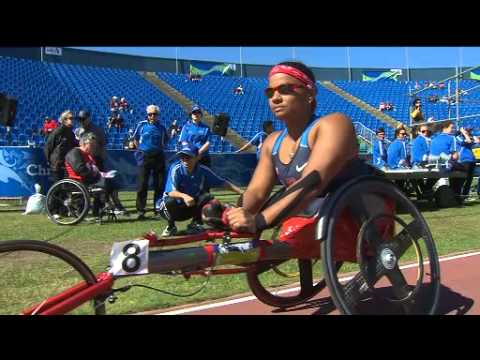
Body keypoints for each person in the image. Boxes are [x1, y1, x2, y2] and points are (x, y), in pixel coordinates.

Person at [224, 61, 374, 260]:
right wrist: (237, 213)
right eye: (270, 93)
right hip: (315, 211)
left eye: (285, 90)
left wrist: (259, 220)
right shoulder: (271, 142)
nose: (275, 98)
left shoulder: (335, 123)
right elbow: (257, 191)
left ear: (309, 94)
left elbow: (312, 183)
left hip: (361, 212)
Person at [157, 142, 243, 236]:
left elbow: (222, 182)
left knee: (207, 197)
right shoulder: (176, 168)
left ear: (197, 157)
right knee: (170, 201)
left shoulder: (203, 170)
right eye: (182, 157)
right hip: (167, 209)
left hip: (189, 206)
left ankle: (195, 224)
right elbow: (170, 192)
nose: (185, 160)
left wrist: (241, 192)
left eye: (188, 157)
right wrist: (184, 196)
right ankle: (171, 226)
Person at [77, 110, 128, 215]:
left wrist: (101, 160)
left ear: (89, 118)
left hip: (97, 159)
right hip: (84, 161)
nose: (82, 121)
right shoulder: (79, 131)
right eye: (80, 119)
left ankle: (98, 209)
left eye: (83, 119)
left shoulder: (97, 130)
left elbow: (104, 145)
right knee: (83, 185)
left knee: (100, 185)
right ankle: (81, 209)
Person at [64, 132, 120, 219]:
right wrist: (95, 174)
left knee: (110, 182)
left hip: (87, 179)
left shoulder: (88, 155)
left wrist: (101, 174)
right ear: (84, 143)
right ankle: (104, 207)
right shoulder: (74, 153)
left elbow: (93, 169)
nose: (94, 147)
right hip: (77, 181)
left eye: (94, 145)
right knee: (104, 183)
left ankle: (100, 209)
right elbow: (79, 169)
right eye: (92, 145)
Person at [132, 105, 169, 220]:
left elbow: (166, 140)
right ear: (147, 115)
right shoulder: (141, 125)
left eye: (155, 114)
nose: (152, 116)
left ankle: (158, 208)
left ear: (158, 115)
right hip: (145, 157)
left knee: (159, 184)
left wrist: (159, 148)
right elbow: (135, 138)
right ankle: (141, 210)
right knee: (142, 184)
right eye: (150, 114)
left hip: (158, 157)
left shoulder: (162, 127)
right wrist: (140, 150)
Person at [430, 121, 463, 201]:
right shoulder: (452, 138)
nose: (454, 129)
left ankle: (427, 189)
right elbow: (455, 156)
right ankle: (456, 194)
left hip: (433, 164)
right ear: (445, 128)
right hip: (446, 164)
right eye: (452, 127)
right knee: (465, 169)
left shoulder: (434, 138)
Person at [44, 110, 78, 182]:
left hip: (66, 163)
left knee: (65, 186)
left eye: (73, 118)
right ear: (65, 120)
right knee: (58, 186)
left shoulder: (71, 133)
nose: (73, 120)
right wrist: (49, 161)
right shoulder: (58, 131)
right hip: (57, 164)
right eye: (71, 118)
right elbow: (48, 146)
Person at [456, 127, 479, 199]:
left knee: (469, 180)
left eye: (470, 130)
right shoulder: (458, 137)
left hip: (472, 160)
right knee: (462, 179)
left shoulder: (470, 137)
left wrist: (470, 136)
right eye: (468, 130)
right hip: (464, 160)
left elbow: (477, 141)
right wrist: (464, 133)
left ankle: (465, 196)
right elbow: (468, 141)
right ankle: (458, 195)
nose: (469, 132)